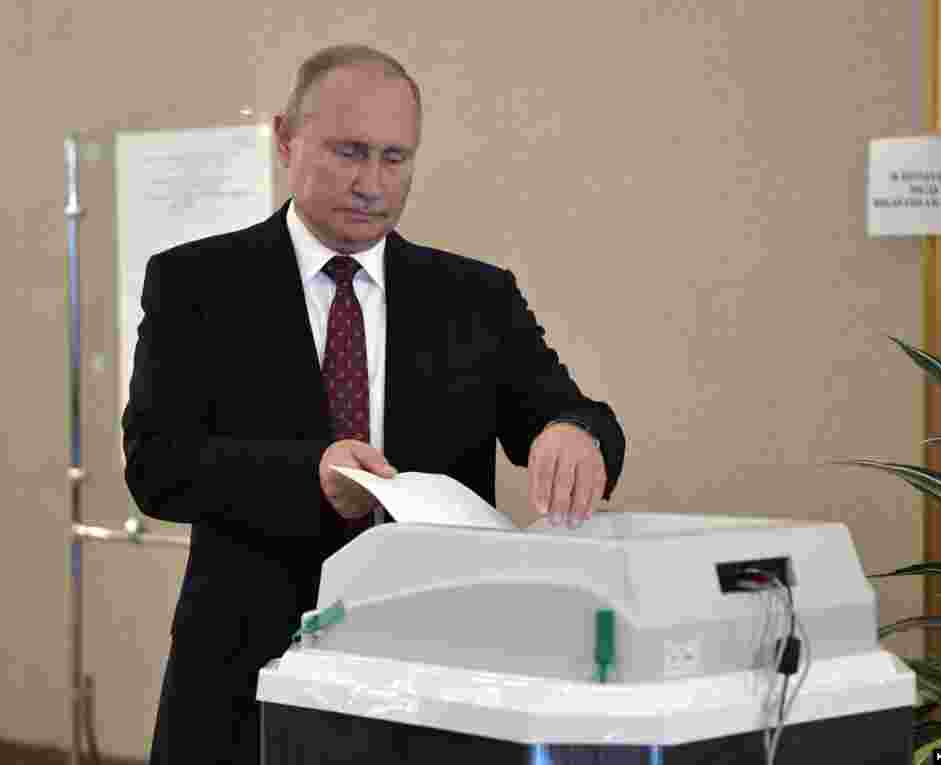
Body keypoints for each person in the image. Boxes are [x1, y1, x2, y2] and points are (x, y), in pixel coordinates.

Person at [122, 44, 625, 763]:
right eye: (349, 152)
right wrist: (310, 475)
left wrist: (576, 434)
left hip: (432, 681)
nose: (372, 183)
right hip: (246, 681)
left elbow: (570, 413)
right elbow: (157, 464)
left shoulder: (475, 299)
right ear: (285, 139)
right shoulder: (196, 284)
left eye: (396, 158)